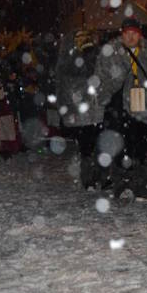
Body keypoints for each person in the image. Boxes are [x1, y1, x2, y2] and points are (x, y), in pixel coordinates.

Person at [96, 17, 147, 200]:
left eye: (134, 33)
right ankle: (123, 186)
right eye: (126, 33)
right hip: (119, 110)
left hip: (145, 108)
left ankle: (143, 188)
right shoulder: (110, 53)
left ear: (140, 34)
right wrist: (117, 78)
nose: (130, 37)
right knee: (123, 149)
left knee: (145, 150)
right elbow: (101, 82)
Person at [55, 29, 106, 190]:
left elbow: (102, 76)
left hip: (97, 108)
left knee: (100, 144)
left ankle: (102, 177)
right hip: (81, 111)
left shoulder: (95, 55)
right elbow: (67, 83)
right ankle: (89, 179)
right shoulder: (69, 59)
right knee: (86, 147)